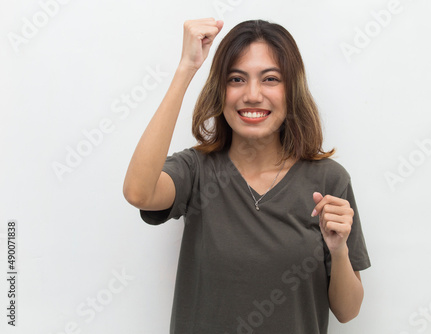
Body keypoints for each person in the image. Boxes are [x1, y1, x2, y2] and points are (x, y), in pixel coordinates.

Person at [123, 18, 370, 334]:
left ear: (291, 90)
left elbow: (348, 312)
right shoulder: (196, 170)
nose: (252, 95)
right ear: (220, 90)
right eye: (236, 79)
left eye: (270, 79)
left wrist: (338, 250)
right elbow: (139, 193)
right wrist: (186, 68)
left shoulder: (329, 180)